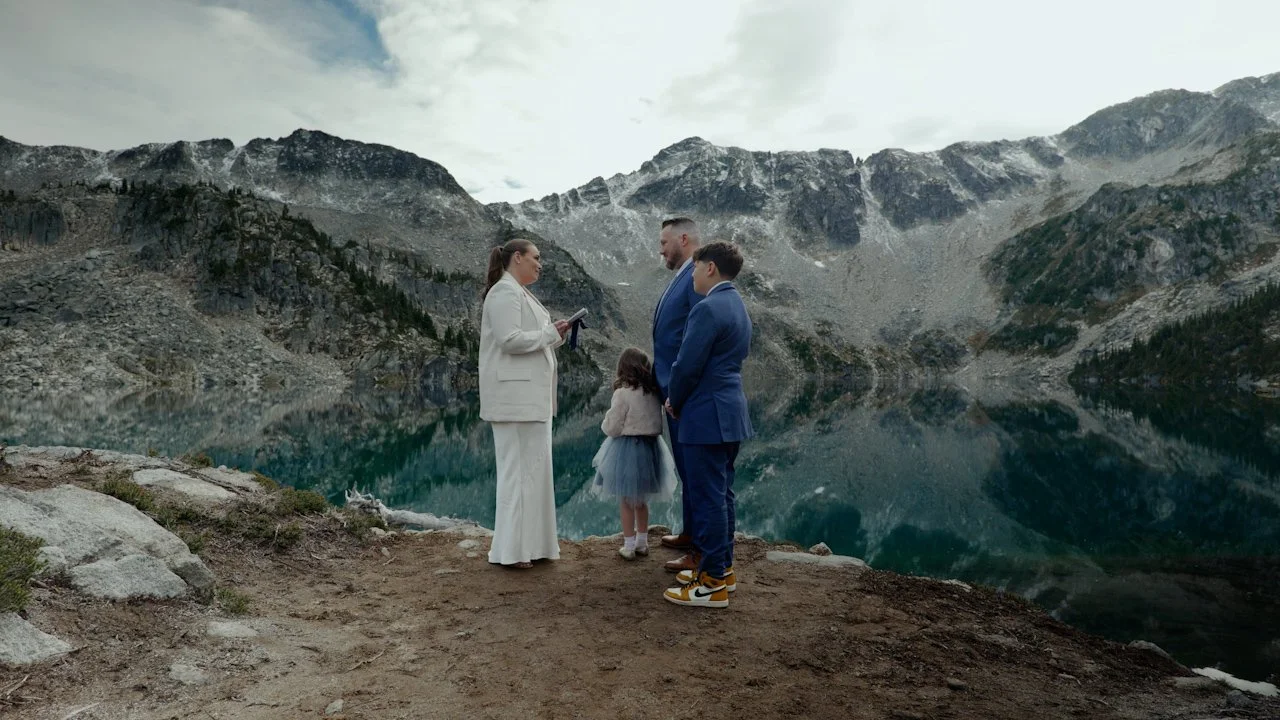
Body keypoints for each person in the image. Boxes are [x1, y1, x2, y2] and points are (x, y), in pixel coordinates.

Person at [661, 242, 754, 608]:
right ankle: (722, 569)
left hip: (705, 414)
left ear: (710, 268)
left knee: (708, 496)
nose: (693, 276)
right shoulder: (737, 305)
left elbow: (687, 365)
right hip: (730, 412)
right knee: (722, 493)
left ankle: (712, 583)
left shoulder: (707, 308)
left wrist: (674, 399)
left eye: (696, 269)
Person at [478, 238, 571, 569]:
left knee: (534, 474)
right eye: (536, 257)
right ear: (517, 258)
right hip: (514, 401)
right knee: (518, 474)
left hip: (529, 400)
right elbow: (509, 340)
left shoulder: (518, 291)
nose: (540, 264)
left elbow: (527, 342)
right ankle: (512, 551)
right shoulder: (504, 292)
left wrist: (554, 336)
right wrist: (549, 334)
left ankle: (534, 545)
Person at [589, 348, 678, 560]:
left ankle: (628, 546)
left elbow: (613, 427)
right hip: (650, 449)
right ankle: (642, 543)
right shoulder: (654, 393)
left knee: (627, 500)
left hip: (627, 450)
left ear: (623, 368)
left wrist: (604, 425)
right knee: (641, 500)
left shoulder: (622, 393)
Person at [651, 217, 703, 572]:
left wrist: (680, 388)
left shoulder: (697, 276)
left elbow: (695, 337)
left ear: (683, 239)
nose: (660, 250)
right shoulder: (683, 274)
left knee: (696, 470)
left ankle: (700, 549)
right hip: (673, 392)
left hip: (684, 393)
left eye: (664, 243)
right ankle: (689, 533)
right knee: (686, 468)